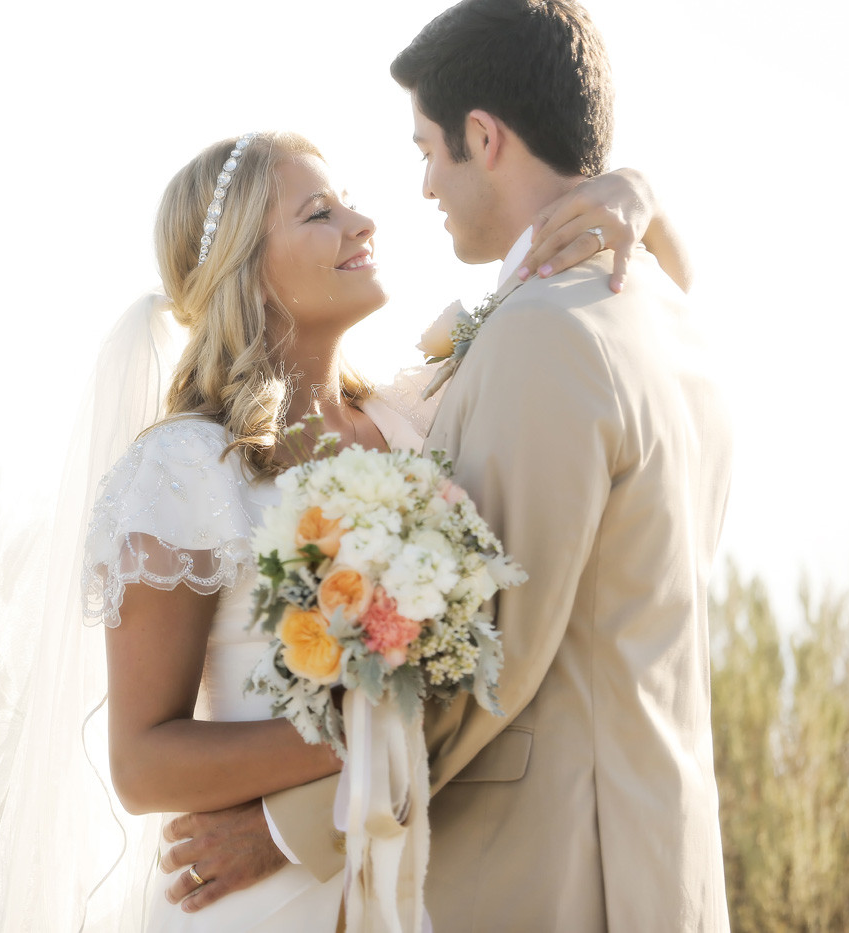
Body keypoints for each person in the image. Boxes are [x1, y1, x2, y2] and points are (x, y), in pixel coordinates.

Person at [0, 121, 695, 929]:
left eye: (349, 205)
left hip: (406, 885)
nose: (361, 225)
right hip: (251, 902)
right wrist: (371, 729)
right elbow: (142, 761)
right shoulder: (187, 468)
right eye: (318, 216)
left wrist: (637, 196)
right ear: (248, 270)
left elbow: (644, 302)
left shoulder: (414, 424)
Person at [176, 2, 733, 931]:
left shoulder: (547, 333)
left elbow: (490, 651)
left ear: (484, 135)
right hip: (657, 853)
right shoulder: (668, 320)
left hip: (555, 869)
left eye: (430, 148)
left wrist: (284, 831)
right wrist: (638, 191)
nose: (424, 183)